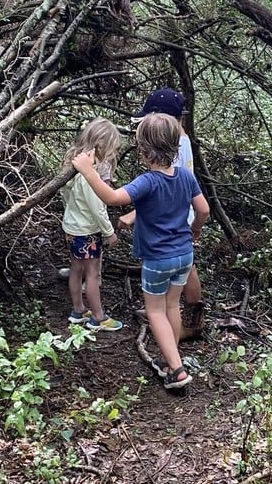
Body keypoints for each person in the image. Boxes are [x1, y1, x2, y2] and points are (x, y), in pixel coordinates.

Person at [72, 113, 210, 389]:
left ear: (143, 151)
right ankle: (170, 358)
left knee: (155, 311)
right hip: (184, 255)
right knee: (172, 305)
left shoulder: (147, 181)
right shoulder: (185, 175)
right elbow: (203, 209)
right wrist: (194, 229)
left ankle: (178, 371)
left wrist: (87, 170)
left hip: (158, 259)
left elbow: (112, 198)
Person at [123, 88, 206, 341]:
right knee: (185, 267)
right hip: (185, 211)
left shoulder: (174, 146)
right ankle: (185, 318)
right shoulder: (182, 138)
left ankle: (190, 322)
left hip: (177, 215)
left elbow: (164, 189)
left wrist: (135, 213)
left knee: (185, 269)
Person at [60, 118, 123, 332]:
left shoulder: (73, 166)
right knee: (92, 273)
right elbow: (97, 207)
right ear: (102, 146)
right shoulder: (90, 175)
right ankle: (98, 316)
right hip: (87, 231)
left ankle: (78, 310)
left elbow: (66, 196)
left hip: (73, 227)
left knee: (76, 269)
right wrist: (109, 232)